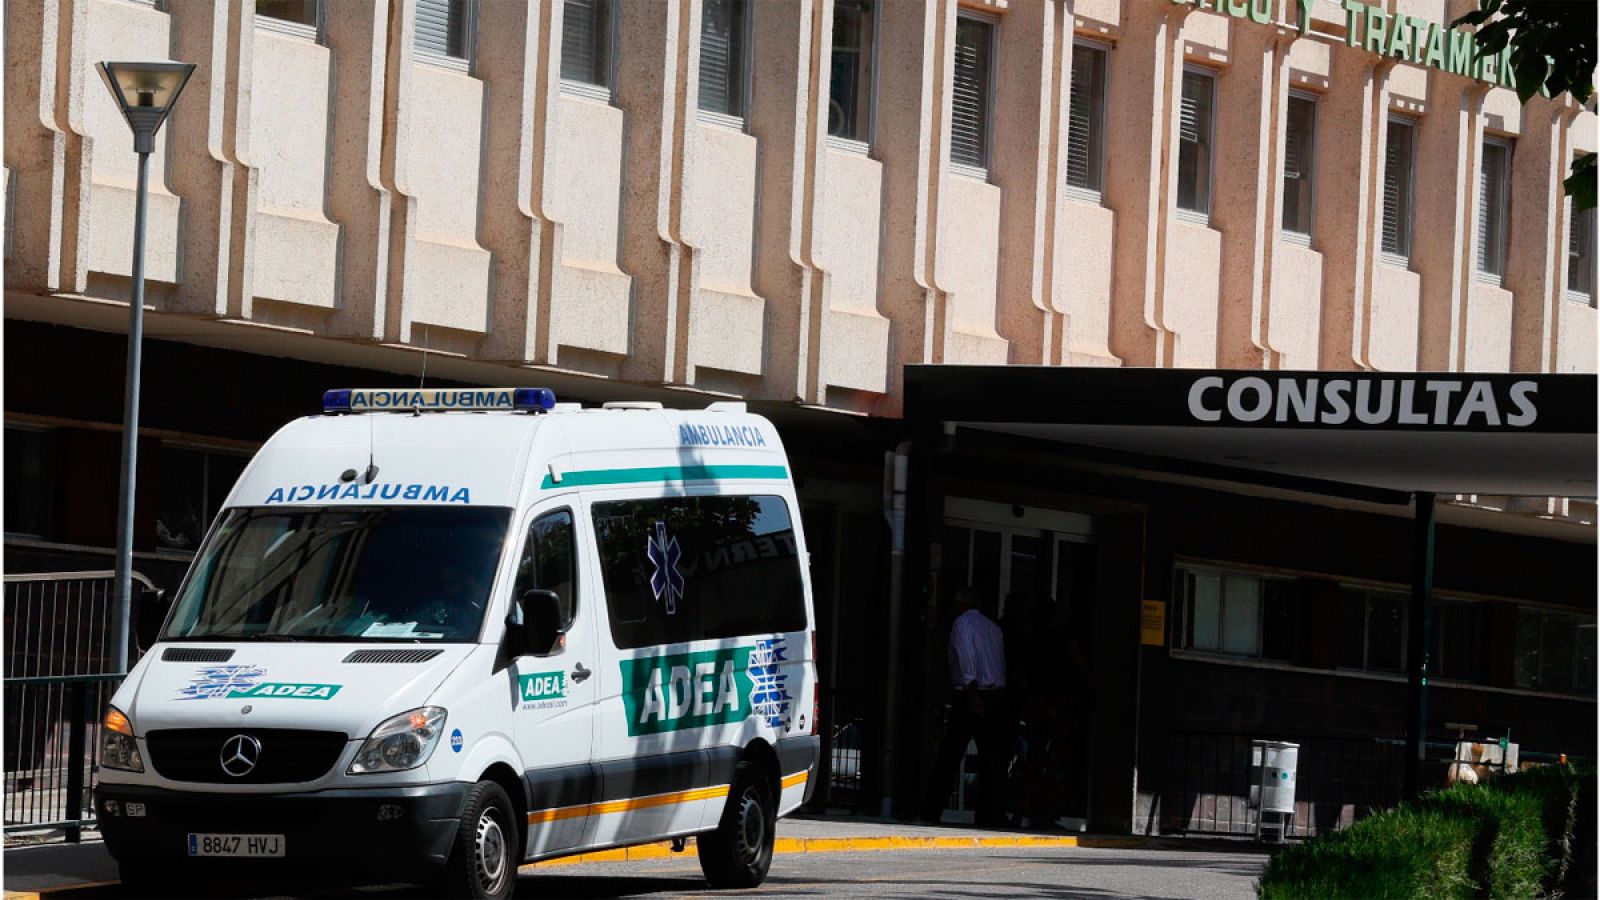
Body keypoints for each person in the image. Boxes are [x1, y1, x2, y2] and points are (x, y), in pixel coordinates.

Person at [921, 586, 1012, 827]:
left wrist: (972, 693)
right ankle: (989, 813)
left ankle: (932, 809)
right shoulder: (993, 627)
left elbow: (966, 659)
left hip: (972, 694)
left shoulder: (962, 624)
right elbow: (999, 664)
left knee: (950, 756)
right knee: (991, 759)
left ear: (961, 604)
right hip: (995, 695)